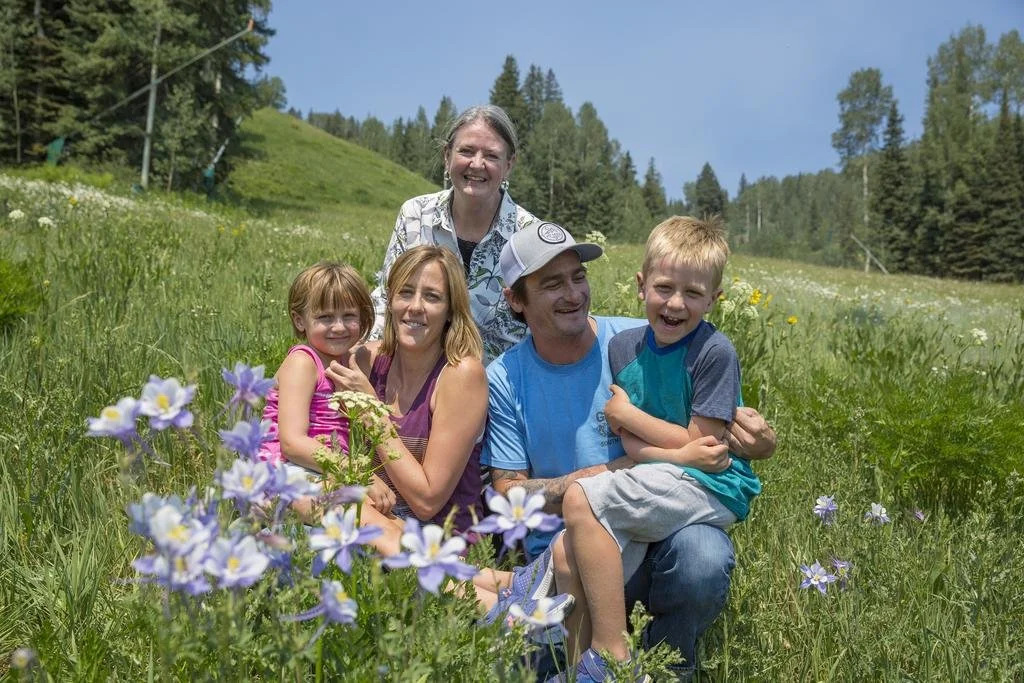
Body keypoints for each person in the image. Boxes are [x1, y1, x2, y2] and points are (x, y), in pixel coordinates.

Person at [482, 219, 777, 681]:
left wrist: (763, 442)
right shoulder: (504, 377)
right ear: (515, 300)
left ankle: (666, 666)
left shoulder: (647, 339)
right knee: (523, 662)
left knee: (701, 556)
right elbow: (508, 495)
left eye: (578, 277)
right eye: (552, 284)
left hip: (659, 538)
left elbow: (720, 434)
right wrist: (605, 474)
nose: (573, 294)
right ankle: (578, 655)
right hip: (571, 552)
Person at [555, 215, 761, 680]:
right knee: (573, 550)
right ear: (641, 285)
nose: (675, 303)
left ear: (714, 299)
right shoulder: (624, 348)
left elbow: (702, 443)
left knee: (580, 499)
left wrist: (630, 417)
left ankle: (613, 657)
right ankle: (576, 663)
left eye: (693, 293)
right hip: (663, 471)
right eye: (664, 287)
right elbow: (633, 443)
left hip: (711, 485)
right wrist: (672, 452)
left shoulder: (715, 352)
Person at [328, 245, 570, 618]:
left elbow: (427, 500)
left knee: (342, 509)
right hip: (381, 526)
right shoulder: (366, 360)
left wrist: (373, 414)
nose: (415, 307)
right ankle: (506, 586)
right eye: (406, 292)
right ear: (390, 299)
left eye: (432, 297)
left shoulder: (460, 375)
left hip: (442, 537)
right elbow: (324, 440)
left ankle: (495, 608)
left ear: (450, 311)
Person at [370, 104, 538, 364]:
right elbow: (387, 298)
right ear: (447, 156)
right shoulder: (416, 215)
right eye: (466, 151)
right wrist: (369, 360)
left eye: (492, 155)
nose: (477, 164)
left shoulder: (529, 234)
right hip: (415, 371)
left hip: (499, 380)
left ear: (509, 164)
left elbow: (542, 323)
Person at [257, 262, 398, 515]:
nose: (339, 327)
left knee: (390, 521)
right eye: (325, 317)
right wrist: (361, 475)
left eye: (349, 316)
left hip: (324, 471)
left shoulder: (346, 362)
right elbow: (292, 443)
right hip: (284, 474)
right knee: (370, 518)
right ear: (299, 320)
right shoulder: (303, 363)